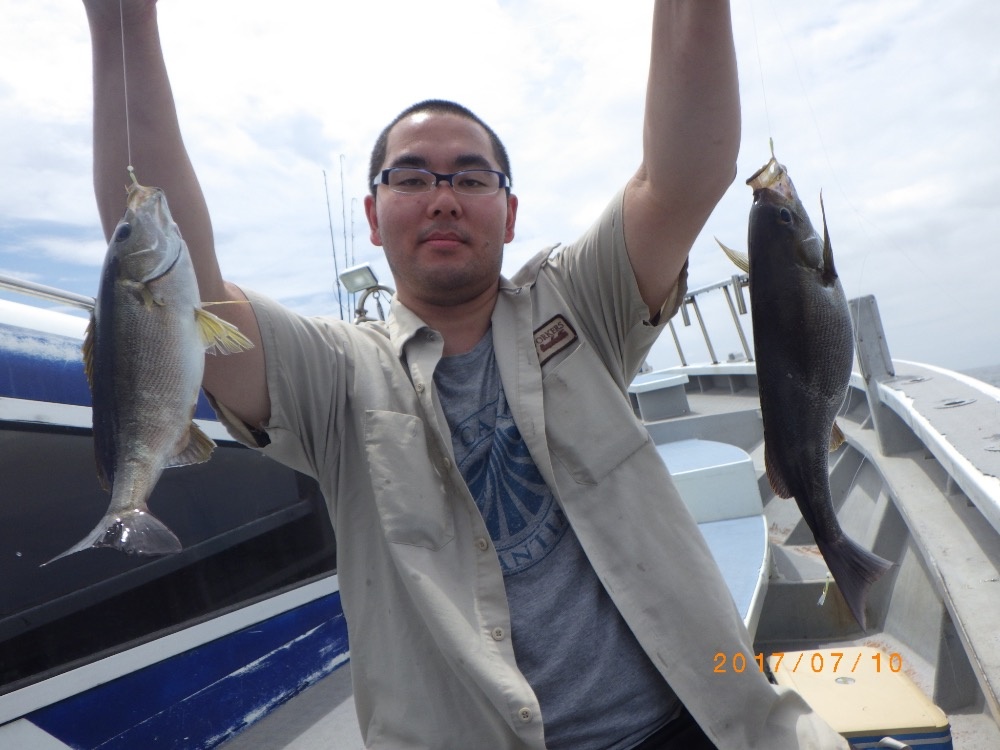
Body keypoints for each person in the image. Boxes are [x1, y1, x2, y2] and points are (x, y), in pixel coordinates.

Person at [83, 1, 848, 748]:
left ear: (509, 215)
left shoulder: (581, 301)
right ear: (373, 216)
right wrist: (124, 21)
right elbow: (170, 274)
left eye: (472, 179)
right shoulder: (331, 374)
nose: (443, 199)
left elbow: (686, 174)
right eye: (411, 179)